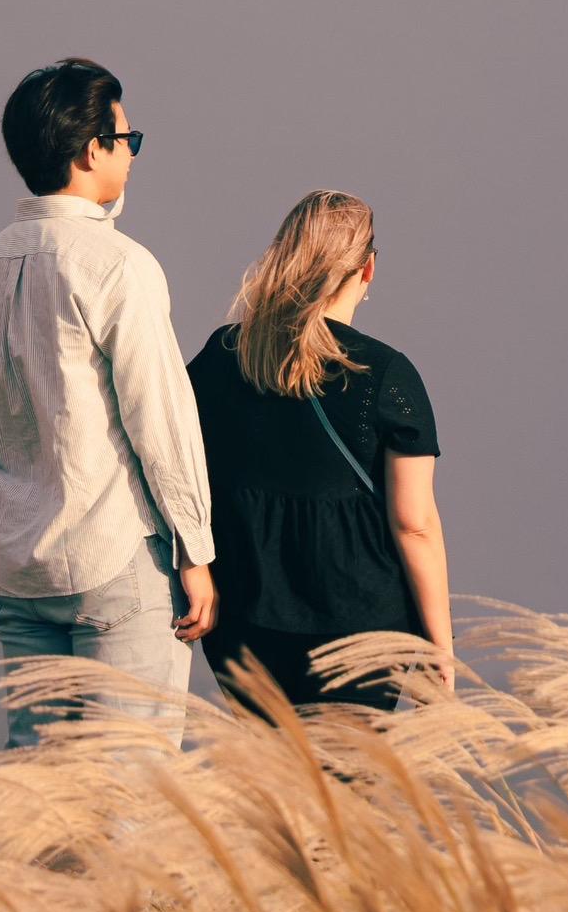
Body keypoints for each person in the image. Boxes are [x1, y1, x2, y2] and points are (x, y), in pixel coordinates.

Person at [0, 59, 217, 749]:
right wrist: (194, 551)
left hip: (20, 563)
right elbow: (158, 416)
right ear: (91, 147)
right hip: (114, 559)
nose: (130, 156)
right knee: (131, 804)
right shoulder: (118, 264)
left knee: (44, 814)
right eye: (126, 140)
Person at [184, 190, 454, 714]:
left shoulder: (221, 356)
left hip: (244, 620)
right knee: (343, 791)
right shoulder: (386, 375)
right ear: (368, 269)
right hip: (359, 633)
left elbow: (180, 468)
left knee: (278, 786)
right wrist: (437, 645)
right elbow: (414, 523)